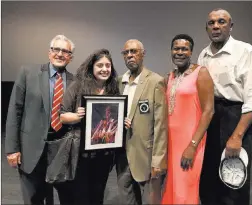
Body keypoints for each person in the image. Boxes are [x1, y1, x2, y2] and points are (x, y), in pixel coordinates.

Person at [198, 8, 252, 205]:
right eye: (212, 23)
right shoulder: (204, 55)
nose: (216, 26)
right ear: (207, 28)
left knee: (234, 182)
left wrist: (236, 136)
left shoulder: (245, 51)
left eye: (221, 22)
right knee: (208, 181)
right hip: (210, 118)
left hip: (234, 119)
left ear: (231, 26)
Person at [5, 34, 75, 204]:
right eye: (56, 49)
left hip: (61, 150)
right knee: (33, 198)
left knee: (66, 197)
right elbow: (15, 111)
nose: (60, 54)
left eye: (65, 51)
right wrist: (11, 148)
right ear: (49, 52)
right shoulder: (28, 73)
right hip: (31, 149)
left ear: (70, 57)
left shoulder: (75, 81)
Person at [60, 48, 119, 204]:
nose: (105, 69)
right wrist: (77, 116)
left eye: (108, 65)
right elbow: (63, 116)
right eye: (100, 65)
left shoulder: (113, 89)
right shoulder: (77, 86)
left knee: (98, 195)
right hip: (80, 154)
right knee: (80, 195)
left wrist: (122, 122)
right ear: (91, 66)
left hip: (104, 154)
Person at [161, 34, 214, 204]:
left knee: (186, 190)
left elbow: (208, 111)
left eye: (184, 49)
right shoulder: (170, 76)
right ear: (171, 51)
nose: (180, 52)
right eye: (176, 48)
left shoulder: (201, 72)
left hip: (191, 143)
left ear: (191, 52)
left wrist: (192, 146)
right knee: (172, 187)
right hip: (171, 143)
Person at [115, 39, 168, 204]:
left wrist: (158, 160)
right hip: (122, 155)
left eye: (134, 51)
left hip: (146, 155)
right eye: (126, 53)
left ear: (142, 54)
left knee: (150, 201)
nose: (130, 56)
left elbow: (161, 124)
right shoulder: (118, 82)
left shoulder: (155, 81)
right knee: (127, 198)